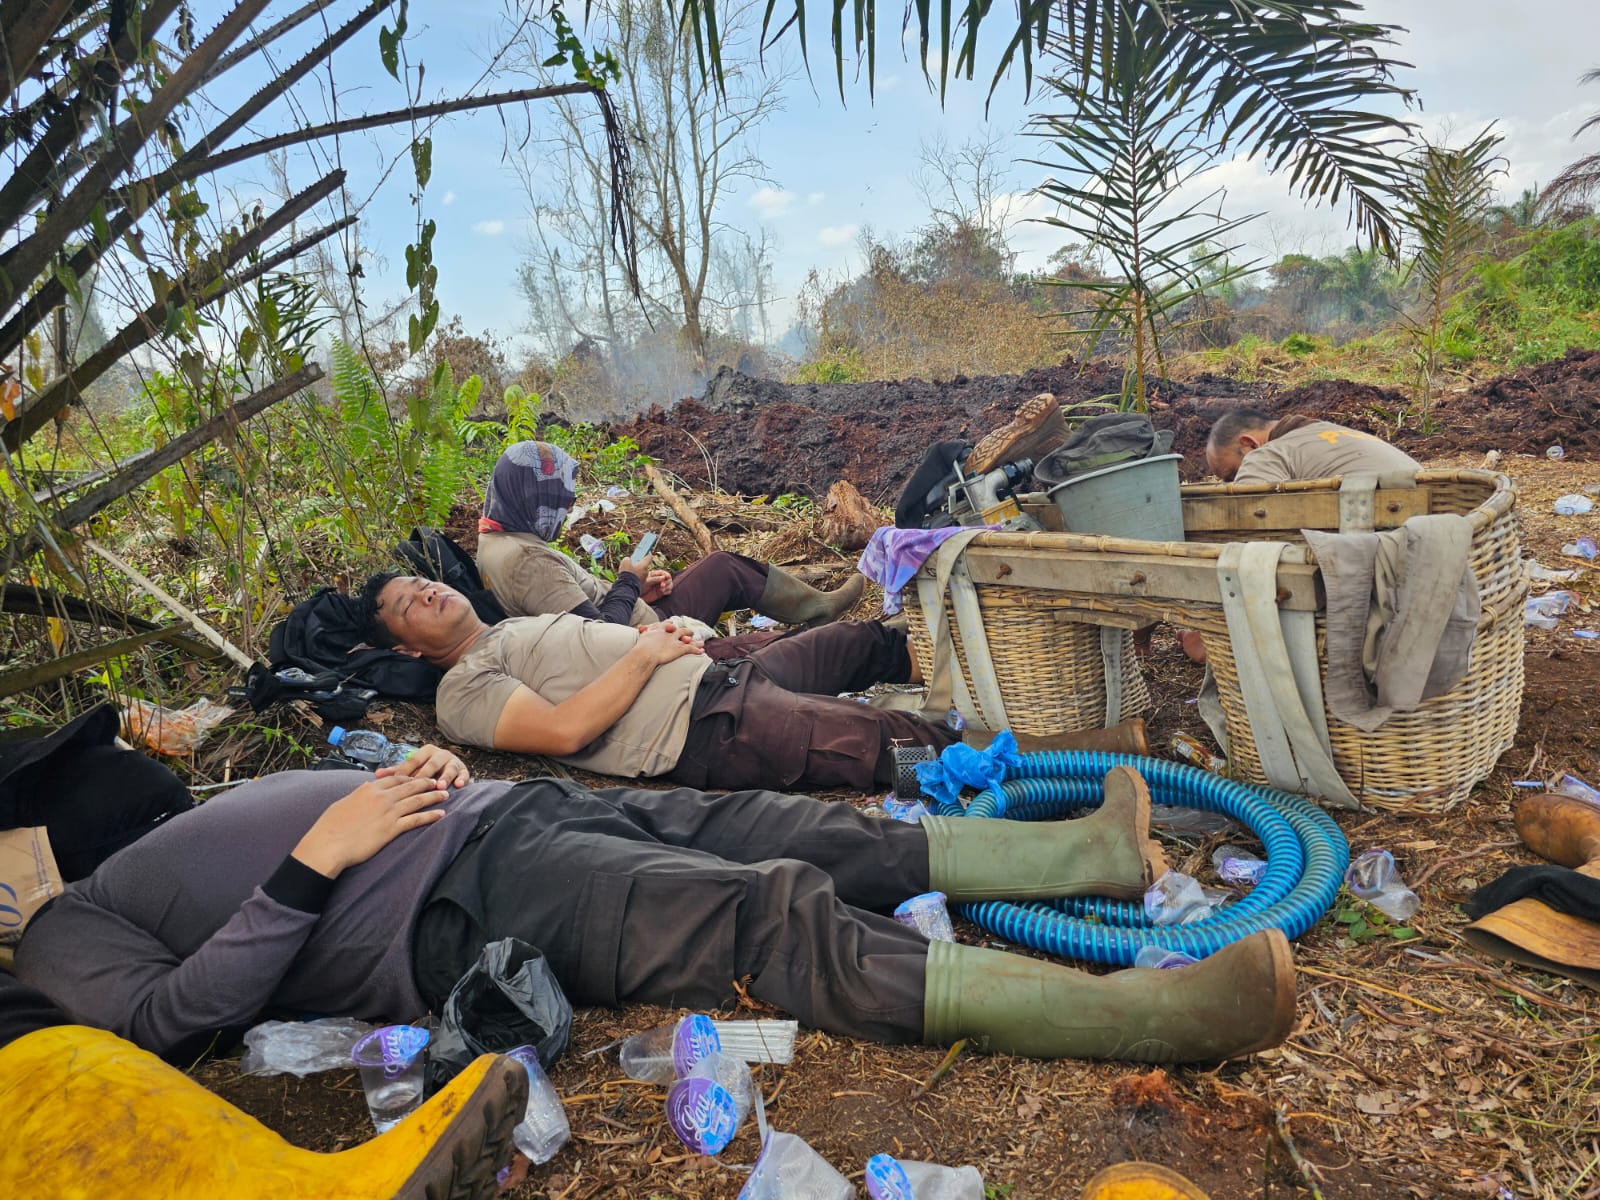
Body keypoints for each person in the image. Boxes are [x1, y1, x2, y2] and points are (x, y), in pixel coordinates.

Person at [12, 746, 1296, 1073]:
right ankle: (1144, 1019)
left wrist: (398, 783)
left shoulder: (110, 869)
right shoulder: (57, 935)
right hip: (460, 904)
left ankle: (1082, 861)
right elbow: (171, 1024)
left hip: (499, 817)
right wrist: (323, 850)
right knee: (765, 915)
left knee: (785, 829)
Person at [357, 572, 959, 793]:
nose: (427, 593)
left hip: (717, 671)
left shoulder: (507, 628)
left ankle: (975, 677)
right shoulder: (461, 689)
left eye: (421, 582)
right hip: (703, 729)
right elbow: (564, 732)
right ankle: (995, 772)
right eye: (408, 604)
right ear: (406, 647)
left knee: (855, 644)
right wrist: (647, 654)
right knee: (888, 742)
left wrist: (662, 632)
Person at [476, 441, 863, 630]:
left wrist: (634, 590)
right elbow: (599, 636)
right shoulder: (526, 562)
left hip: (638, 611)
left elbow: (583, 611)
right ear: (529, 498)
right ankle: (820, 616)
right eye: (556, 502)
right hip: (647, 632)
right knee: (726, 572)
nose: (562, 514)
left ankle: (819, 607)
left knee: (721, 565)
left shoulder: (502, 540)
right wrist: (628, 580)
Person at [1204, 409, 1421, 485]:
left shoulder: (1266, 454)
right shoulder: (1338, 433)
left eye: (1233, 475)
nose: (1234, 484)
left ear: (1249, 444)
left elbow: (1251, 516)